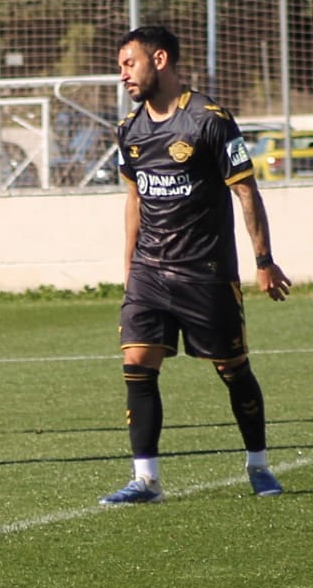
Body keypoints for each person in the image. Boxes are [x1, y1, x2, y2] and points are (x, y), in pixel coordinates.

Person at [99, 26, 292, 505]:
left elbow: (245, 190)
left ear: (159, 59)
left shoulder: (209, 120)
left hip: (205, 272)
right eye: (120, 66)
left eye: (129, 63)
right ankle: (146, 479)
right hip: (149, 271)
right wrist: (129, 266)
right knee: (136, 363)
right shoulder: (129, 129)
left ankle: (258, 464)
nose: (122, 74)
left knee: (232, 368)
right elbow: (134, 200)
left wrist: (263, 261)